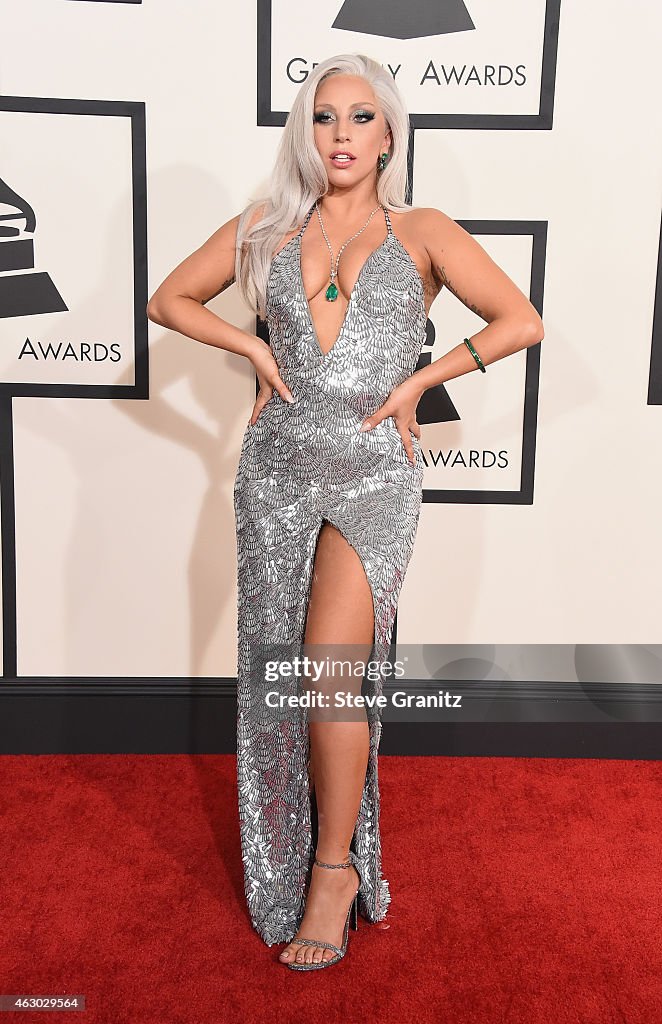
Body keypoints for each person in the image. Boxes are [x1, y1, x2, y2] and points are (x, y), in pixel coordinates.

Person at [146, 52, 544, 971]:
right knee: (284, 673)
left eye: (361, 118)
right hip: (278, 470)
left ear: (390, 135)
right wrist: (248, 342)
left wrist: (422, 381)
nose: (341, 136)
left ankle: (334, 871)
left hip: (374, 476)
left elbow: (518, 320)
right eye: (325, 118)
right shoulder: (265, 228)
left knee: (329, 672)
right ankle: (303, 855)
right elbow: (170, 297)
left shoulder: (426, 230)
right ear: (304, 132)